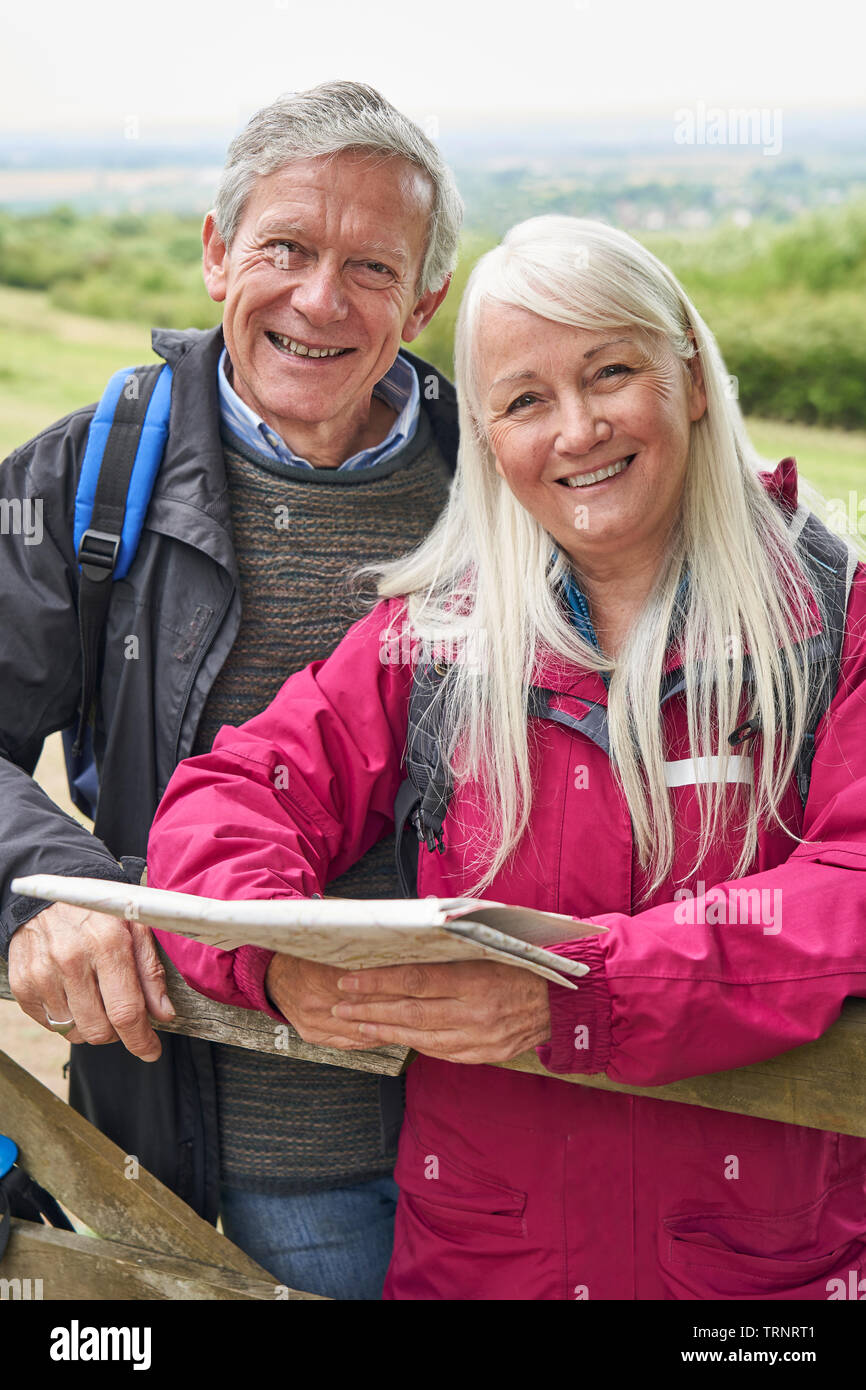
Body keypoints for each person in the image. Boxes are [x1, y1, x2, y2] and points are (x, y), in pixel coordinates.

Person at [147, 214, 866, 1301]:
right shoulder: (433, 640)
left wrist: (574, 999)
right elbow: (229, 799)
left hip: (761, 1282)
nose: (574, 430)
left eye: (609, 372)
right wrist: (277, 963)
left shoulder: (832, 618)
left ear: (690, 376)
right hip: (483, 1269)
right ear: (487, 439)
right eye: (524, 401)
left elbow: (846, 890)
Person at [0, 80, 463, 1299]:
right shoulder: (91, 475)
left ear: (425, 300)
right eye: (287, 248)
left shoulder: (505, 486)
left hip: (497, 1145)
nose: (320, 299)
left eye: (371, 267)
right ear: (217, 256)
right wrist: (59, 894)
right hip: (227, 1154)